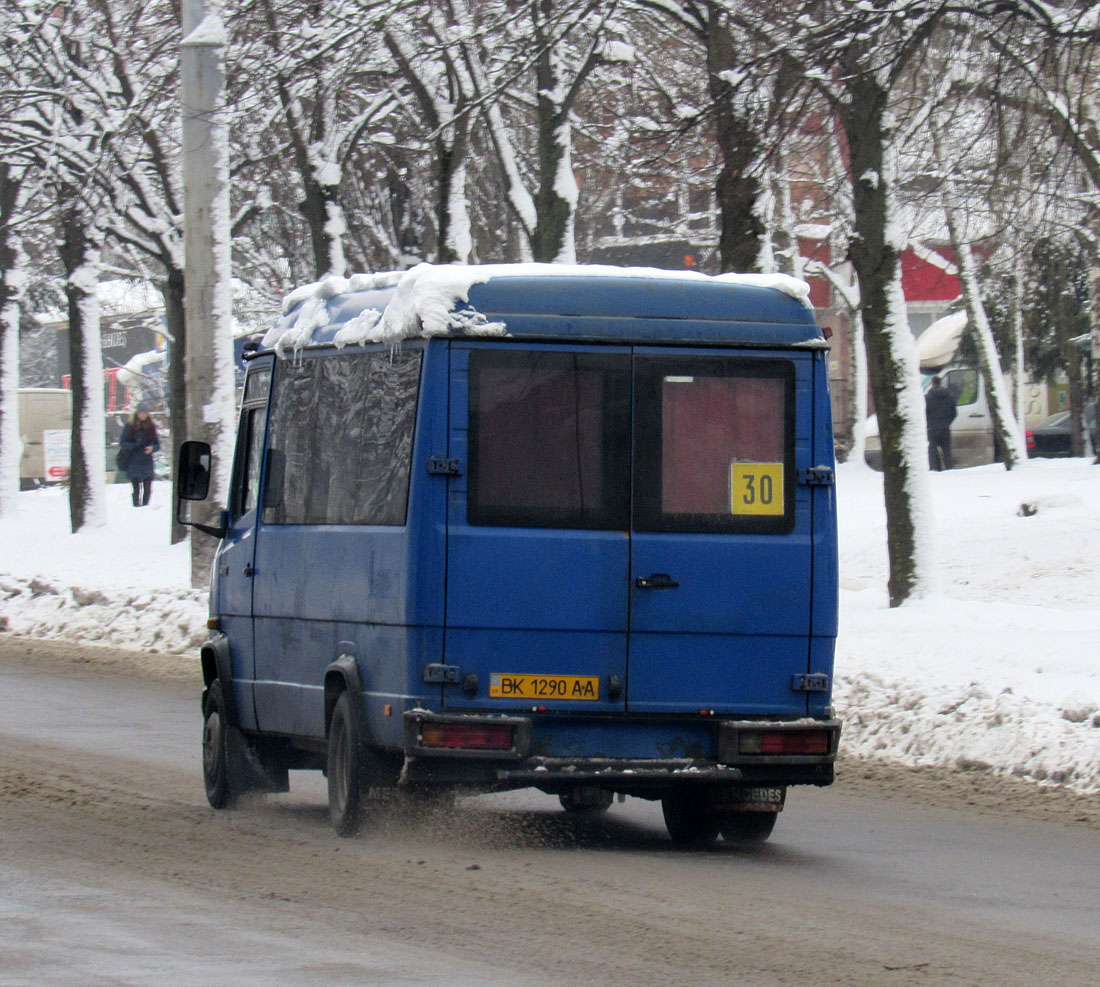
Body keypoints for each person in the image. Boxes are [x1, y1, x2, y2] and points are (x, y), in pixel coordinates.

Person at [120, 402, 160, 506]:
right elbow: (123, 443)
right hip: (134, 461)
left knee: (147, 488)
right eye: (140, 413)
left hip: (147, 461)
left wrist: (152, 448)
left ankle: (145, 507)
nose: (142, 415)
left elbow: (157, 444)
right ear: (137, 413)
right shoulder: (130, 426)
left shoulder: (151, 427)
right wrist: (134, 445)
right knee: (136, 489)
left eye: (145, 413)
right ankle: (136, 508)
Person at [925, 375, 957, 471]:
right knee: (947, 450)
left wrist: (928, 423)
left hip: (932, 428)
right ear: (940, 383)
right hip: (945, 428)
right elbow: (954, 413)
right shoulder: (949, 396)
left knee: (932, 450)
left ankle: (934, 469)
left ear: (932, 384)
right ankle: (949, 468)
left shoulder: (927, 398)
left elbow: (924, 412)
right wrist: (947, 422)